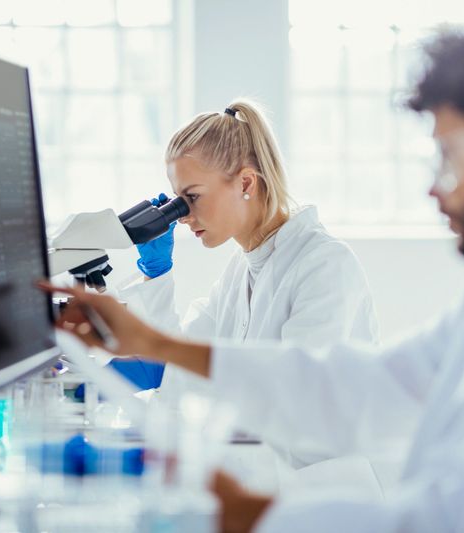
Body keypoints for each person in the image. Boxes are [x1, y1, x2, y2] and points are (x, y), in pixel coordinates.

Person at [41, 15, 464, 533]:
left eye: (451, 158)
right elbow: (374, 385)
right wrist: (152, 342)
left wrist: (250, 512)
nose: (435, 186)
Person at [109, 99, 381, 474]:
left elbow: (289, 409)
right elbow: (180, 370)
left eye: (192, 197)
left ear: (246, 183)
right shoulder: (242, 271)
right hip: (258, 487)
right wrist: (158, 274)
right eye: (178, 201)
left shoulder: (325, 265)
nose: (183, 216)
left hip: (317, 497)